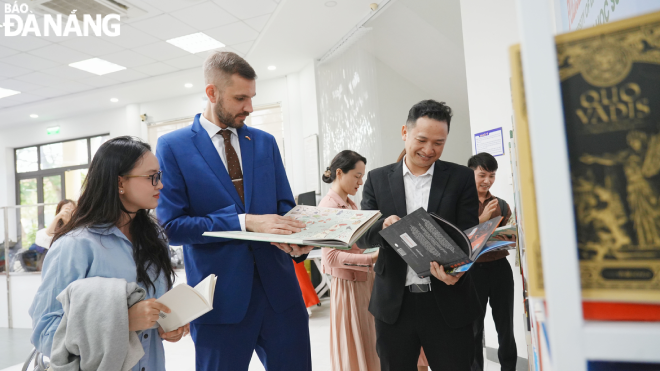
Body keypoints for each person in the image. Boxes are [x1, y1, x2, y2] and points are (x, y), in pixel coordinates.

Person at [156, 51, 313, 371]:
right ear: (211, 92)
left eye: (252, 97)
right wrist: (244, 222)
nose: (250, 108)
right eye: (240, 98)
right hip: (219, 303)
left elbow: (285, 206)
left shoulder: (265, 142)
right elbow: (172, 226)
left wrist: (301, 240)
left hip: (281, 296)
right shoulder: (172, 146)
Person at [29, 136, 188, 371]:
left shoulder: (156, 239)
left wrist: (168, 323)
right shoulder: (75, 246)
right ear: (119, 183)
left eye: (160, 176)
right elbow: (45, 332)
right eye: (151, 177)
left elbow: (155, 310)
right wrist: (121, 324)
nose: (160, 185)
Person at [358, 99, 481, 371]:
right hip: (394, 304)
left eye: (439, 143)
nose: (429, 150)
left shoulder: (460, 177)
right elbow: (362, 237)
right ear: (405, 132)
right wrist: (381, 227)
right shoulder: (377, 179)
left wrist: (458, 270)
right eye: (422, 140)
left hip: (448, 301)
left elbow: (469, 236)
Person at [318, 150, 380, 371]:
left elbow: (356, 245)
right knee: (358, 348)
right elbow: (331, 257)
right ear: (339, 173)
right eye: (356, 176)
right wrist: (371, 257)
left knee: (370, 345)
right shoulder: (329, 207)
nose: (361, 182)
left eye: (362, 176)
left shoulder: (351, 204)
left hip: (364, 280)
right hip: (350, 286)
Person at [467, 152, 517, 371]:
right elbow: (458, 239)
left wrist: (511, 236)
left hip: (500, 270)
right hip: (472, 271)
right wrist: (482, 221)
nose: (487, 180)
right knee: (474, 328)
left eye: (492, 175)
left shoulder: (502, 205)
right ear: (471, 173)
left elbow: (512, 236)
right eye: (482, 174)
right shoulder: (462, 205)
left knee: (505, 326)